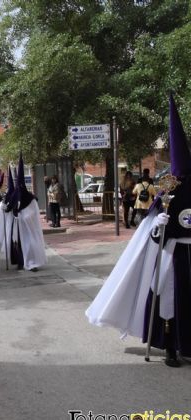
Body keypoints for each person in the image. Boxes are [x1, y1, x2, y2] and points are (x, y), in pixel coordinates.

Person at [86, 95, 191, 367]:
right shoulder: (167, 194)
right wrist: (158, 226)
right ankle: (170, 346)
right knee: (169, 302)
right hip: (174, 255)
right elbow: (152, 236)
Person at [6, 154, 47, 271]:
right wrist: (7, 208)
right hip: (18, 227)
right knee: (18, 243)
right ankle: (20, 262)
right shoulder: (16, 195)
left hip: (28, 227)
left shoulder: (30, 198)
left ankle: (32, 263)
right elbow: (9, 207)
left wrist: (25, 216)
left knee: (30, 244)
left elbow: (34, 212)